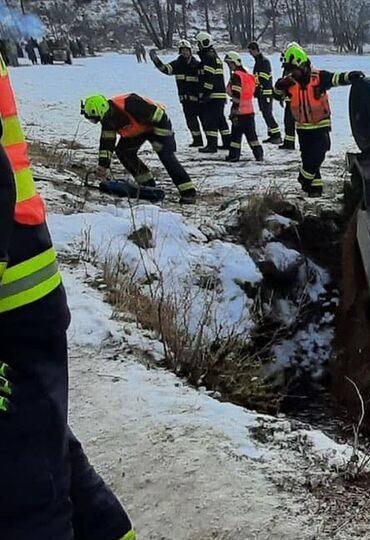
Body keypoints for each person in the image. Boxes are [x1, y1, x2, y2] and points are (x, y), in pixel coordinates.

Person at [0, 54, 135, 540]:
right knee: (44, 454)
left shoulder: (130, 105)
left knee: (22, 500)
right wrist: (103, 170)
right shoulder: (107, 116)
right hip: (20, 286)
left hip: (12, 298)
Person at [274, 44, 364, 196]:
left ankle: (304, 179)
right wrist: (279, 85)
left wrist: (351, 77)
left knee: (318, 155)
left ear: (302, 65)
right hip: (303, 129)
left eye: (292, 69)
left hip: (320, 126)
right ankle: (314, 189)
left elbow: (337, 78)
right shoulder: (289, 83)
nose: (290, 73)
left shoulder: (319, 77)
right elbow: (277, 96)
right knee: (308, 158)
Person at [81, 93, 198, 204]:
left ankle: (188, 192)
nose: (94, 122)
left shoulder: (131, 104)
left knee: (166, 155)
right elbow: (107, 143)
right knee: (123, 152)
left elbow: (160, 118)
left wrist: (162, 141)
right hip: (138, 131)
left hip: (157, 126)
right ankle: (147, 185)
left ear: (102, 110)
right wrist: (103, 165)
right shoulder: (106, 119)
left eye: (94, 119)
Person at [150, 40, 205, 147]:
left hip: (198, 99)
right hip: (185, 100)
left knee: (204, 121)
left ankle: (211, 142)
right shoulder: (177, 64)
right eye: (182, 50)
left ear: (190, 51)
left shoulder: (197, 65)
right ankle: (197, 141)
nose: (184, 52)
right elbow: (165, 69)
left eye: (186, 50)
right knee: (191, 122)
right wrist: (155, 60)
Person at [224, 51, 263, 162]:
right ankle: (259, 155)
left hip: (240, 112)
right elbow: (255, 91)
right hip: (249, 111)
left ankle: (234, 156)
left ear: (234, 63)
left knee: (235, 137)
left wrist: (234, 112)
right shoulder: (248, 76)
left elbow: (236, 94)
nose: (229, 66)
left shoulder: (236, 76)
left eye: (229, 63)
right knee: (252, 137)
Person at [196, 32, 231, 153]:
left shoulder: (208, 57)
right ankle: (227, 142)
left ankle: (212, 145)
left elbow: (209, 77)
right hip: (220, 94)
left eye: (199, 44)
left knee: (210, 120)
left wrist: (205, 93)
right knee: (220, 119)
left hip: (213, 95)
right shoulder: (214, 56)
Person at [247, 41, 282, 144]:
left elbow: (263, 78)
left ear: (255, 50)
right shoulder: (258, 62)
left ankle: (277, 135)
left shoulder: (264, 62)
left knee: (268, 114)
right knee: (265, 114)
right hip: (261, 93)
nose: (250, 54)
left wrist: (258, 87)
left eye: (251, 52)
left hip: (265, 93)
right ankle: (272, 134)